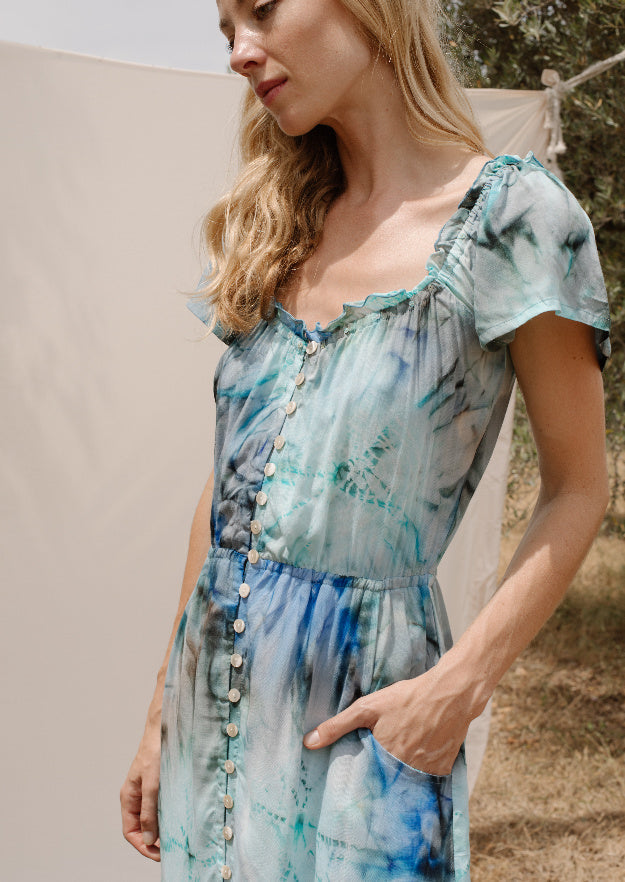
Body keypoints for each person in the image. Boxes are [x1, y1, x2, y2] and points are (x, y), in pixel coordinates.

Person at [120, 1, 611, 879]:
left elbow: (578, 486)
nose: (240, 52)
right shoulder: (278, 226)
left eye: (262, 10)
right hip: (213, 708)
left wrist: (459, 688)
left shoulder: (513, 218)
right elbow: (226, 490)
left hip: (363, 724)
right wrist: (163, 706)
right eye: (225, 31)